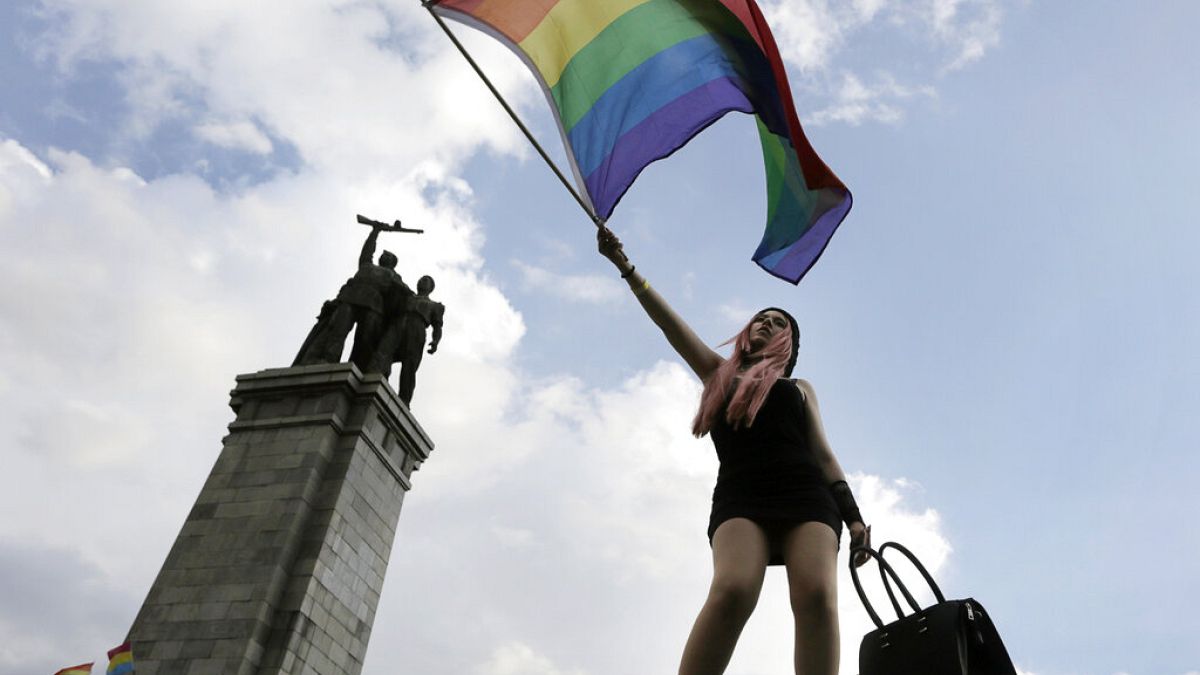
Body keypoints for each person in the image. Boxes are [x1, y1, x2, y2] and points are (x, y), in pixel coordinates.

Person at [596, 226, 870, 675]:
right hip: (741, 497)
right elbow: (670, 325)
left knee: (817, 597)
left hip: (808, 498)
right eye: (762, 317)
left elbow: (824, 456)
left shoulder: (799, 389)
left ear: (789, 345)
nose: (767, 322)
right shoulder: (717, 374)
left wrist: (854, 516)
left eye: (779, 323)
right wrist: (627, 268)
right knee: (732, 591)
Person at [294, 223, 406, 370]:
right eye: (383, 254)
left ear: (392, 262)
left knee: (366, 339)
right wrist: (375, 232)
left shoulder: (393, 276)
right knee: (337, 331)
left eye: (388, 255)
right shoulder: (366, 265)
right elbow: (367, 251)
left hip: (373, 306)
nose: (383, 256)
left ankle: (360, 366)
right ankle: (328, 359)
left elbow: (403, 295)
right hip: (350, 299)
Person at [369, 274, 444, 406]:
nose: (422, 281)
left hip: (417, 329)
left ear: (431, 287)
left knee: (409, 366)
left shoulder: (435, 306)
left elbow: (437, 326)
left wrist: (435, 341)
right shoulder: (407, 296)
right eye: (421, 279)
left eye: (426, 280)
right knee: (383, 352)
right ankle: (375, 379)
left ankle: (404, 400)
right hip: (397, 324)